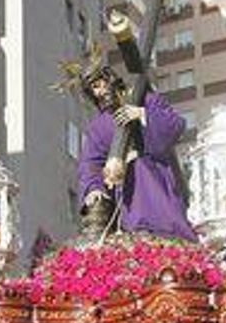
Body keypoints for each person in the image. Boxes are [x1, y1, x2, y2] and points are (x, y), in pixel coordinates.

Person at [67, 50, 196, 241]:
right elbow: (90, 163)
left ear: (109, 78)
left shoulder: (147, 100)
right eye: (92, 90)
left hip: (156, 179)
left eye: (98, 84)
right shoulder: (98, 127)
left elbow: (175, 125)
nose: (99, 91)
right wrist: (94, 188)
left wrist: (142, 115)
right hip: (126, 195)